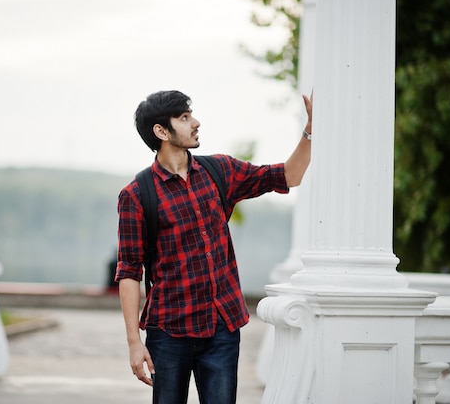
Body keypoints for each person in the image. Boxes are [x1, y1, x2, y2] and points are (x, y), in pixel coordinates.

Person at [116, 90, 313, 404]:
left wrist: (310, 131)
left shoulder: (220, 171)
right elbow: (129, 272)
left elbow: (289, 175)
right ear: (161, 132)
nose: (195, 122)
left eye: (190, 114)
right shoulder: (137, 195)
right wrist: (133, 343)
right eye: (183, 117)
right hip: (168, 332)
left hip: (221, 328)